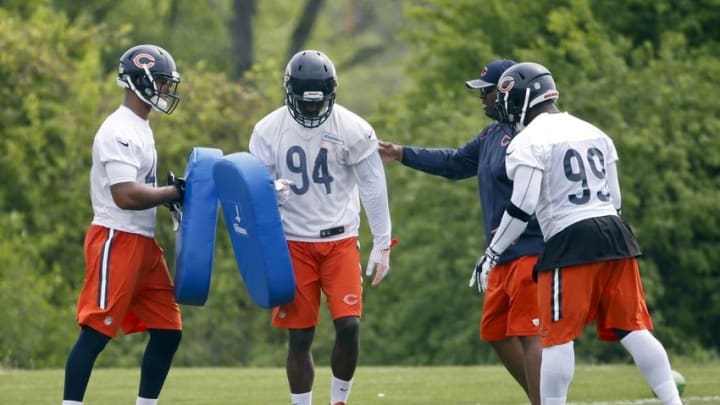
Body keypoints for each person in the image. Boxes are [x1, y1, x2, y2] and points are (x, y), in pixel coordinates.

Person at [473, 61, 682, 405]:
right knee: (633, 329)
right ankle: (673, 402)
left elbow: (521, 206)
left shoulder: (527, 141)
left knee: (557, 337)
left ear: (523, 98)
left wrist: (492, 253)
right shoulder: (594, 131)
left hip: (570, 240)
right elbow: (615, 199)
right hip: (616, 234)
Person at [378, 59, 541, 405]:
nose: (481, 99)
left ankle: (546, 400)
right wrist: (403, 153)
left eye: (486, 92)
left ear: (506, 92)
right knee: (496, 331)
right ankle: (543, 397)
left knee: (529, 333)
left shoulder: (531, 135)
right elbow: (453, 163)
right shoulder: (490, 135)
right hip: (500, 253)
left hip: (531, 248)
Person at [248, 50, 394, 405]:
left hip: (340, 239)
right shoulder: (268, 130)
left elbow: (373, 185)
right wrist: (271, 194)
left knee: (350, 325)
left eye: (319, 103)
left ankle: (339, 400)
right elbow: (254, 189)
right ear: (289, 93)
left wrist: (382, 241)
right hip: (293, 241)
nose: (313, 110)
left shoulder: (353, 128)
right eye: (305, 103)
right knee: (300, 336)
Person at [62, 44, 186, 405]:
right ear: (140, 80)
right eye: (161, 83)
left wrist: (168, 194)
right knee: (95, 332)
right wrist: (170, 192)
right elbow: (125, 195)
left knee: (168, 331)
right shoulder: (119, 129)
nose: (165, 90)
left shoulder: (141, 126)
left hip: (142, 242)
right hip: (117, 238)